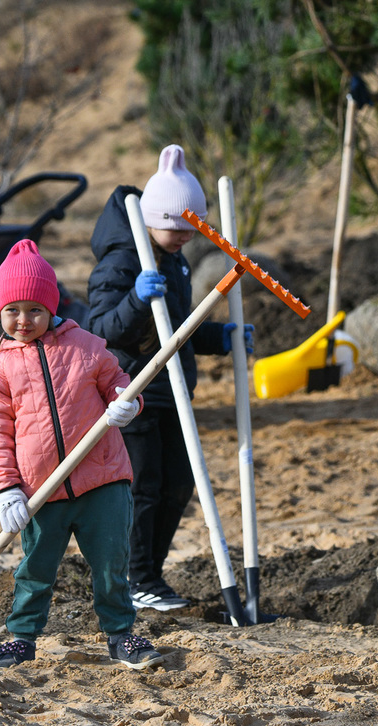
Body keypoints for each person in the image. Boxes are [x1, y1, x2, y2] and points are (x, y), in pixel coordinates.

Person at [0, 238, 163, 670]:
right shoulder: (0, 367)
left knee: (110, 565)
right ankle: (21, 638)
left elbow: (121, 385)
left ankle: (120, 635)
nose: (23, 321)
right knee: (35, 569)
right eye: (12, 311)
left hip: (102, 481)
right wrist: (6, 488)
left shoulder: (85, 346)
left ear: (52, 307)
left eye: (35, 310)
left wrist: (125, 404)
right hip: (39, 491)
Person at [86, 144, 253, 612]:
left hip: (174, 390)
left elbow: (177, 328)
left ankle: (152, 575)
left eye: (190, 228)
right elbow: (100, 331)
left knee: (180, 481)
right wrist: (137, 299)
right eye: (174, 227)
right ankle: (135, 578)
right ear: (151, 218)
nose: (183, 237)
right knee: (144, 486)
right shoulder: (121, 261)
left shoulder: (176, 261)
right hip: (131, 389)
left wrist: (220, 336)